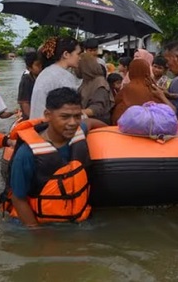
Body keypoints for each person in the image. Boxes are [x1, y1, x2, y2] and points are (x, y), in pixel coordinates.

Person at [6, 87, 106, 226]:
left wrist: (111, 128)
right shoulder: (26, 154)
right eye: (64, 117)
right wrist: (37, 233)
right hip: (38, 221)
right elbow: (18, 199)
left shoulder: (78, 132)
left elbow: (89, 123)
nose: (72, 123)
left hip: (76, 215)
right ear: (48, 115)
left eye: (77, 116)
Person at [29, 37, 82, 119]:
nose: (80, 58)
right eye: (78, 54)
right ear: (66, 54)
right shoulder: (64, 76)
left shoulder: (46, 71)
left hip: (37, 124)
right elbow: (71, 109)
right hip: (48, 126)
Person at [111, 59, 166, 125]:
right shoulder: (152, 87)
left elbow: (115, 101)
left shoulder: (128, 88)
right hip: (151, 125)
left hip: (127, 125)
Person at [77, 53, 114, 124]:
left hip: (97, 123)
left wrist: (76, 113)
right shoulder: (86, 81)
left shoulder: (99, 83)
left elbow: (97, 108)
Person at [17, 51, 44, 120]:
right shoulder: (26, 80)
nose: (41, 67)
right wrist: (32, 119)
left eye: (42, 65)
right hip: (31, 118)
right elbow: (24, 103)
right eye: (38, 65)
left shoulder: (44, 78)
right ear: (29, 68)